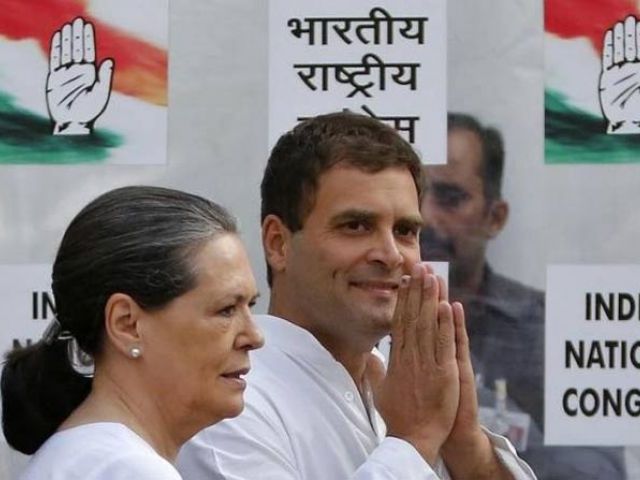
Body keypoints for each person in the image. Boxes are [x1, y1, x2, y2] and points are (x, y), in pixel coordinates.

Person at [177, 112, 535, 479]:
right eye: (356, 226)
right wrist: (416, 438)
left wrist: (463, 440)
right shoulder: (227, 405)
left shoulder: (409, 384)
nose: (391, 254)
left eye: (405, 230)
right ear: (278, 243)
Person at [1, 186, 264, 479]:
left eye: (250, 305)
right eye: (226, 309)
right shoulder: (127, 469)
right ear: (126, 324)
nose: (255, 337)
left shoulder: (90, 458)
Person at [419, 112, 626, 478]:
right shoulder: (364, 324)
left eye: (450, 198)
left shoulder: (550, 329)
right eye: (414, 196)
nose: (425, 217)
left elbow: (600, 471)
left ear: (494, 217)